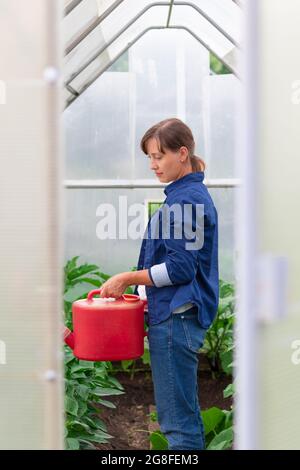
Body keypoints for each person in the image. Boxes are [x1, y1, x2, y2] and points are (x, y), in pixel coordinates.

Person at [100, 118, 219, 450]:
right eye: (149, 157)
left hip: (176, 316)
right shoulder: (186, 194)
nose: (153, 165)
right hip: (177, 315)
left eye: (159, 156)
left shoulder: (186, 201)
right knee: (182, 414)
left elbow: (180, 269)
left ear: (182, 154)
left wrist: (128, 278)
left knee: (177, 425)